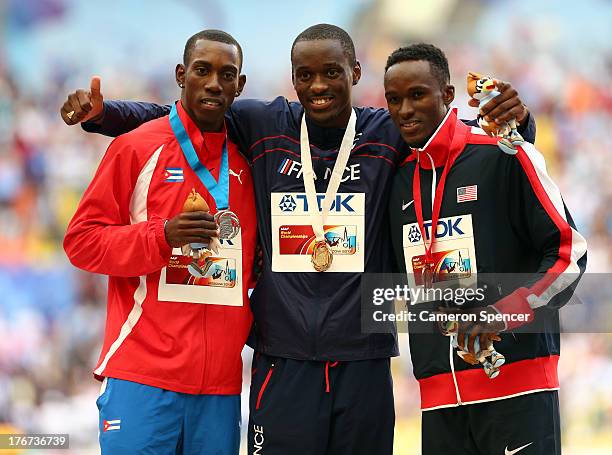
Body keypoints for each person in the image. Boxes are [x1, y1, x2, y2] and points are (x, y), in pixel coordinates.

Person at [61, 24, 535, 454]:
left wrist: (521, 122)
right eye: (305, 75)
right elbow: (195, 109)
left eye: (332, 72)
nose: (319, 86)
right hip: (282, 361)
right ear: (293, 79)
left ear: (354, 72)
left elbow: (456, 134)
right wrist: (106, 116)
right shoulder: (266, 126)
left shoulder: (388, 130)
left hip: (363, 359)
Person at [384, 43, 587, 454]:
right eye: (394, 99)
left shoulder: (503, 153)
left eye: (417, 94)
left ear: (448, 94)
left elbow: (570, 253)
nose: (405, 109)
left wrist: (504, 312)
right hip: (439, 401)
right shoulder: (396, 177)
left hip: (517, 391)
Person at [63, 30, 256, 454]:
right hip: (143, 378)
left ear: (240, 86)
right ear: (180, 75)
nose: (213, 83)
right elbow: (81, 242)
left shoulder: (250, 161)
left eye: (227, 74)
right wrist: (160, 237)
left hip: (221, 389)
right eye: (202, 71)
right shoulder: (135, 148)